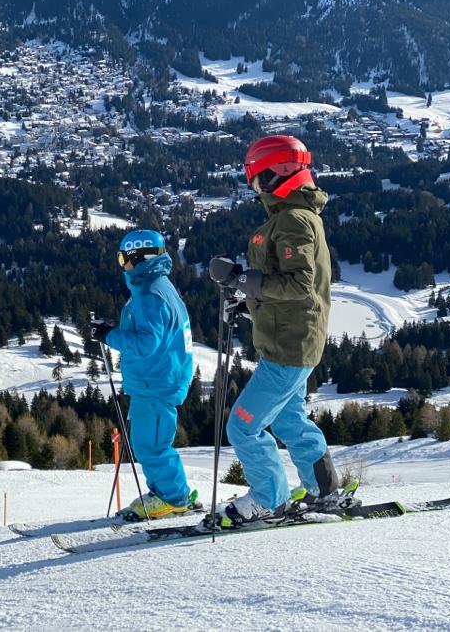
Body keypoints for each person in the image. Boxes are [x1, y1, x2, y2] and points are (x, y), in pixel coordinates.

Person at [209, 134, 341, 526]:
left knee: (243, 426)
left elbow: (300, 285)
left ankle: (270, 499)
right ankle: (323, 488)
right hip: (293, 341)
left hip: (288, 347)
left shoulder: (295, 220)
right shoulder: (292, 216)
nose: (254, 187)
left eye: (257, 179)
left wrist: (246, 280)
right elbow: (286, 290)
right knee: (288, 420)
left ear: (279, 173)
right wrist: (245, 297)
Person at [91, 229, 197, 520]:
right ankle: (164, 491)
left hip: (157, 382)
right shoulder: (156, 286)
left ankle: (174, 497)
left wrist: (109, 335)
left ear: (140, 258)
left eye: (123, 258)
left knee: (151, 445)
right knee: (146, 442)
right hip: (158, 378)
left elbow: (145, 344)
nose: (122, 264)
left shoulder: (150, 295)